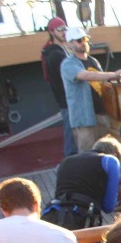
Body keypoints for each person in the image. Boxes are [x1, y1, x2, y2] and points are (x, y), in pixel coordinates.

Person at [61, 26, 121, 152]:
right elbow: (85, 75)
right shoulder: (68, 64)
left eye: (85, 39)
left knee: (108, 153)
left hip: (103, 116)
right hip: (85, 121)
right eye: (79, 40)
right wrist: (114, 74)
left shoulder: (94, 61)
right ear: (70, 45)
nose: (84, 42)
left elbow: (103, 83)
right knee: (88, 156)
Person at [40, 17, 76, 156]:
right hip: (67, 101)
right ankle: (70, 161)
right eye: (60, 30)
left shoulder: (60, 51)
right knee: (71, 137)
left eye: (65, 29)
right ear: (52, 32)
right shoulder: (56, 55)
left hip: (67, 100)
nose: (63, 32)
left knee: (72, 133)